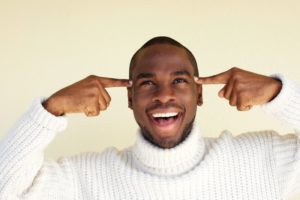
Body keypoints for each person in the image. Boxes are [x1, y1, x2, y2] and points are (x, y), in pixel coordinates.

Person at [0, 36, 299, 200]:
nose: (164, 95)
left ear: (200, 95)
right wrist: (51, 109)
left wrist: (278, 94)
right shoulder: (84, 178)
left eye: (180, 81)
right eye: (147, 83)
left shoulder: (262, 161)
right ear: (129, 99)